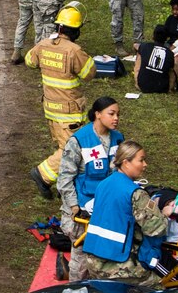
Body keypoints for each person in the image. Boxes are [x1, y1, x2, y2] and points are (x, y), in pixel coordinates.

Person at [68, 141, 172, 284]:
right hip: (117, 266)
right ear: (126, 162)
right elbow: (156, 228)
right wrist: (165, 214)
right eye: (141, 160)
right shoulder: (135, 193)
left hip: (93, 260)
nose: (145, 164)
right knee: (162, 285)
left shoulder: (103, 184)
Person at [26, 5, 94, 197]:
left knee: (65, 147)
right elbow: (89, 73)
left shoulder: (44, 44)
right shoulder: (74, 51)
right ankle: (42, 174)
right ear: (76, 30)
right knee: (72, 150)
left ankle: (66, 184)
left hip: (50, 110)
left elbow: (30, 61)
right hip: (69, 113)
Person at [53, 97, 124, 230]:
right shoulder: (79, 141)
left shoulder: (118, 139)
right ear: (98, 114)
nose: (116, 118)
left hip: (109, 207)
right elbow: (65, 177)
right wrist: (74, 206)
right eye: (111, 113)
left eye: (118, 114)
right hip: (82, 210)